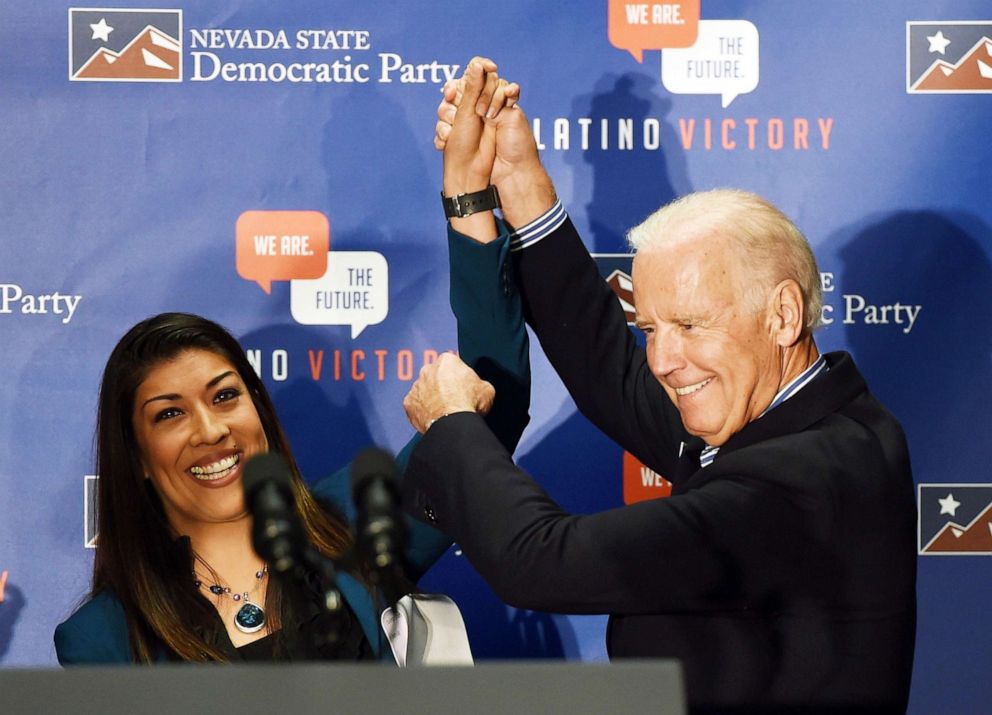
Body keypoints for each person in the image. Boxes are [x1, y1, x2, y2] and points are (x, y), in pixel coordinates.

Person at [401, 59, 917, 712]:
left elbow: (542, 561)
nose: (665, 359)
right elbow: (611, 372)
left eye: (692, 324)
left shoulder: (802, 477)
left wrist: (451, 426)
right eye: (651, 327)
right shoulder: (811, 422)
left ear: (783, 313)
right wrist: (517, 179)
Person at [55, 286, 528, 659]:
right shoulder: (102, 639)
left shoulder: (354, 518)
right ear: (136, 455)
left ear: (258, 408)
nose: (211, 430)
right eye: (169, 415)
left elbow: (489, 401)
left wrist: (470, 205)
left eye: (224, 397)